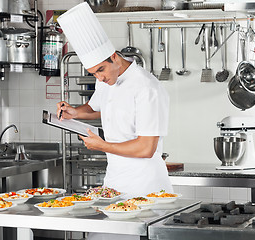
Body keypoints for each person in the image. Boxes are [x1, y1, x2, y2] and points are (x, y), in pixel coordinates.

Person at [57, 3, 173, 239]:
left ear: (114, 57)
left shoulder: (147, 88)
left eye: (101, 70)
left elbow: (146, 148)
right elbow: (96, 108)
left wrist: (102, 146)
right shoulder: (105, 81)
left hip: (146, 189)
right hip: (114, 184)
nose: (99, 78)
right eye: (93, 74)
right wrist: (75, 112)